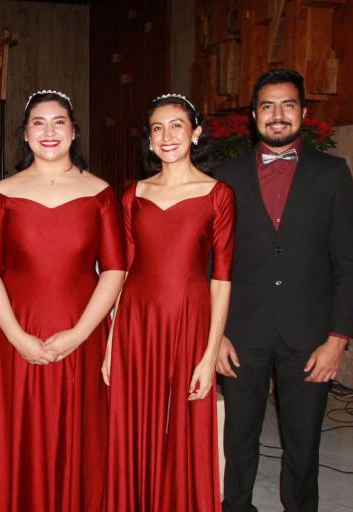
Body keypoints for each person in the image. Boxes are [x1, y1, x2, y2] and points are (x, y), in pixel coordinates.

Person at [214, 68, 353, 512]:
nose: (277, 115)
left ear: (302, 112)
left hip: (310, 335)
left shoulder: (333, 174)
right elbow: (210, 263)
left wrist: (338, 340)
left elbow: (349, 263)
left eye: (287, 105)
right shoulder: (225, 177)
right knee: (238, 440)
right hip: (240, 333)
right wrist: (214, 334)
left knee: (303, 445)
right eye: (267, 106)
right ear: (253, 116)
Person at [0, 90, 125, 511]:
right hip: (17, 332)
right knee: (21, 437)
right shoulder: (3, 195)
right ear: (24, 135)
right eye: (38, 123)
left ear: (73, 130)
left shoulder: (101, 193)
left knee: (79, 437)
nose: (49, 131)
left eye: (59, 121)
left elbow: (115, 269)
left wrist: (81, 334)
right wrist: (16, 336)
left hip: (82, 332)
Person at [103, 93, 235, 511]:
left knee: (187, 426)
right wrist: (110, 344)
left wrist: (210, 351)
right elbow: (119, 274)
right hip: (136, 322)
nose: (167, 135)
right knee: (133, 424)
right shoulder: (132, 194)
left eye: (176, 125)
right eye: (157, 128)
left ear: (195, 133)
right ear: (149, 139)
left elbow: (222, 278)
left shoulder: (218, 195)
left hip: (190, 321)